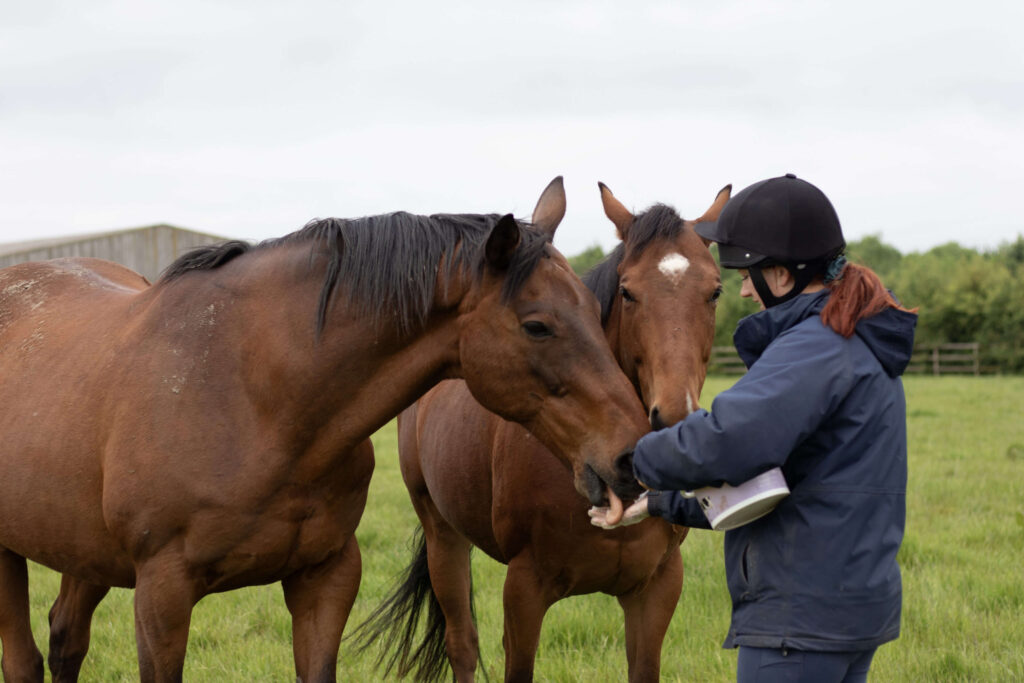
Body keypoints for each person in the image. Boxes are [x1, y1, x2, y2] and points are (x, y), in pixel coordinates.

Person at [589, 174, 917, 683]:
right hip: (847, 613)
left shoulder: (813, 349)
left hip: (798, 624)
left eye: (747, 273)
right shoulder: (856, 342)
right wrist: (656, 503)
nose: (742, 289)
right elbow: (772, 482)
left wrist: (632, 462)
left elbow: (725, 441)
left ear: (782, 276)